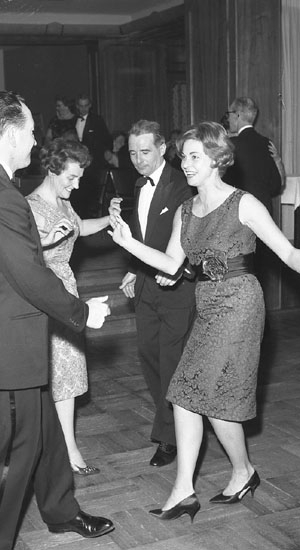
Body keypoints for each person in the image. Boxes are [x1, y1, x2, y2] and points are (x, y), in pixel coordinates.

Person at [108, 121, 300, 521]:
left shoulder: (243, 204)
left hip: (240, 302)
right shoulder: (186, 210)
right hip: (207, 303)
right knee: (198, 397)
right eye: (184, 157)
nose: (186, 164)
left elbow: (287, 252)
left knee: (196, 394)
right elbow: (171, 264)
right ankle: (235, 475)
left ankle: (190, 487)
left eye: (195, 157)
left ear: (217, 159)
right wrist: (129, 244)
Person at [0, 91, 115, 550]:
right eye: (31, 132)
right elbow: (30, 276)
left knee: (44, 428)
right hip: (4, 351)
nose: (35, 141)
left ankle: (60, 509)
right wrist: (82, 312)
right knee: (14, 454)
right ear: (12, 133)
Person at [26, 138, 120, 475]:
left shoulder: (64, 202)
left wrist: (109, 219)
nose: (77, 185)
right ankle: (37, 448)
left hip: (67, 289)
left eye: (79, 178)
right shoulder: (29, 207)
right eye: (71, 178)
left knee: (65, 372)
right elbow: (18, 255)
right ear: (52, 170)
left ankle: (68, 447)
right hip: (42, 293)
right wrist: (46, 240)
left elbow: (79, 229)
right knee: (42, 375)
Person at [113, 120, 196, 469]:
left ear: (162, 148)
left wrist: (176, 268)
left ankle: (170, 436)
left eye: (145, 151)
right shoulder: (138, 183)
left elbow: (189, 237)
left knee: (171, 361)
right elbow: (143, 233)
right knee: (148, 356)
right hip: (147, 283)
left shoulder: (182, 185)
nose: (138, 159)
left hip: (176, 286)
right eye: (133, 153)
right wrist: (134, 269)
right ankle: (174, 422)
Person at [222, 97, 283, 215]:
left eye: (229, 114)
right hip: (264, 211)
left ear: (237, 115)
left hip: (240, 212)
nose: (228, 118)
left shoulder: (231, 145)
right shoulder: (267, 143)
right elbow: (275, 186)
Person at [72, 94, 112, 217]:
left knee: (90, 196)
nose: (83, 109)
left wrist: (106, 152)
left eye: (86, 106)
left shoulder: (97, 120)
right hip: (76, 162)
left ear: (90, 106)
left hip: (93, 165)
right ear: (77, 106)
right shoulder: (73, 120)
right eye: (81, 106)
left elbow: (106, 140)